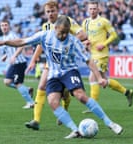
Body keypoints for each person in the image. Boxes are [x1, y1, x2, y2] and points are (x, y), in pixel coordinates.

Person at [0, 15, 123, 139]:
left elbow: (88, 60)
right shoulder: (45, 35)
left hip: (69, 71)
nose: (63, 36)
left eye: (66, 33)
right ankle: (75, 130)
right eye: (61, 32)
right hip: (53, 75)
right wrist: (5, 42)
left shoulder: (73, 41)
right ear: (55, 28)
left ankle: (110, 123)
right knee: (53, 102)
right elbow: (23, 41)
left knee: (81, 95)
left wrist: (99, 78)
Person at [23, 0, 88, 130]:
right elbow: (41, 44)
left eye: (53, 11)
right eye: (48, 11)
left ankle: (64, 109)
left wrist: (70, 43)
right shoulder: (46, 27)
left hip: (66, 63)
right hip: (51, 62)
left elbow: (82, 34)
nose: (50, 14)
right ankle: (36, 120)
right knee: (41, 86)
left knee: (65, 93)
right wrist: (33, 60)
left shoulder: (66, 21)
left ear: (57, 11)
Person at [81, 1, 133, 113]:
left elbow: (114, 35)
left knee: (92, 77)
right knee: (104, 80)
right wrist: (85, 43)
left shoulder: (104, 21)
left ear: (98, 9)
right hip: (92, 54)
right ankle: (127, 92)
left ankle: (93, 106)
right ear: (87, 9)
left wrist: (104, 44)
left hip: (102, 54)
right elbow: (84, 37)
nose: (92, 11)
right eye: (90, 9)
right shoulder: (85, 22)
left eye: (94, 8)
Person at [0, 20, 35, 109]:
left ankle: (31, 102)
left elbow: (21, 46)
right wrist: (6, 56)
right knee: (6, 82)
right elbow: (9, 49)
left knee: (17, 83)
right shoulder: (4, 37)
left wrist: (14, 55)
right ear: (0, 27)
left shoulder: (12, 35)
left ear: (9, 26)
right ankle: (27, 90)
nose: (4, 27)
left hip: (19, 62)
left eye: (6, 25)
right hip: (14, 63)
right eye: (2, 25)